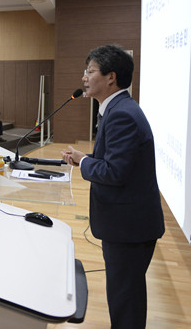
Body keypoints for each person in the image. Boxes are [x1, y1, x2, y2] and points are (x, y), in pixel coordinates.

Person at [61, 45, 164, 329]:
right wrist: (85, 159)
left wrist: (84, 163)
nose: (84, 77)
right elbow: (113, 161)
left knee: (125, 301)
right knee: (125, 297)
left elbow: (115, 172)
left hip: (128, 228)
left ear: (110, 77)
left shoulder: (121, 114)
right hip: (128, 224)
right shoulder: (117, 108)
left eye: (90, 71)